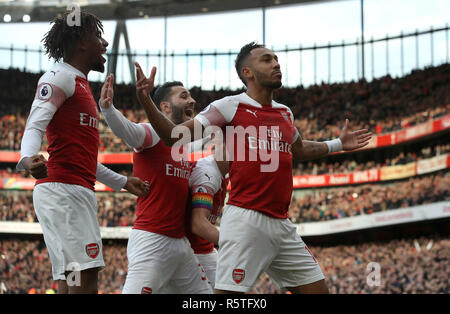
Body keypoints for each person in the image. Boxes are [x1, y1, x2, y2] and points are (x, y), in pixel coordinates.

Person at [133, 41, 372, 294]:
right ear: (247, 73)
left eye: (276, 59)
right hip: (246, 219)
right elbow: (175, 135)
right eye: (267, 60)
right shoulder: (228, 106)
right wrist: (146, 100)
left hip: (282, 223)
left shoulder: (284, 113)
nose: (276, 63)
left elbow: (300, 149)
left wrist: (337, 144)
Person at [16, 11, 149, 294]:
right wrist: (28, 158)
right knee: (85, 278)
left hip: (71, 189)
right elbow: (34, 125)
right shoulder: (59, 76)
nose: (105, 44)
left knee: (70, 278)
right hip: (64, 191)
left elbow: (84, 160)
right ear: (80, 43)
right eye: (98, 37)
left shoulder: (80, 84)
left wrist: (123, 182)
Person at [99, 77, 212, 294]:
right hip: (152, 241)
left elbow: (207, 133)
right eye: (184, 96)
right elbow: (127, 131)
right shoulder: (150, 134)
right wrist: (108, 109)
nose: (192, 101)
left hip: (180, 245)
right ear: (166, 107)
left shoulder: (183, 143)